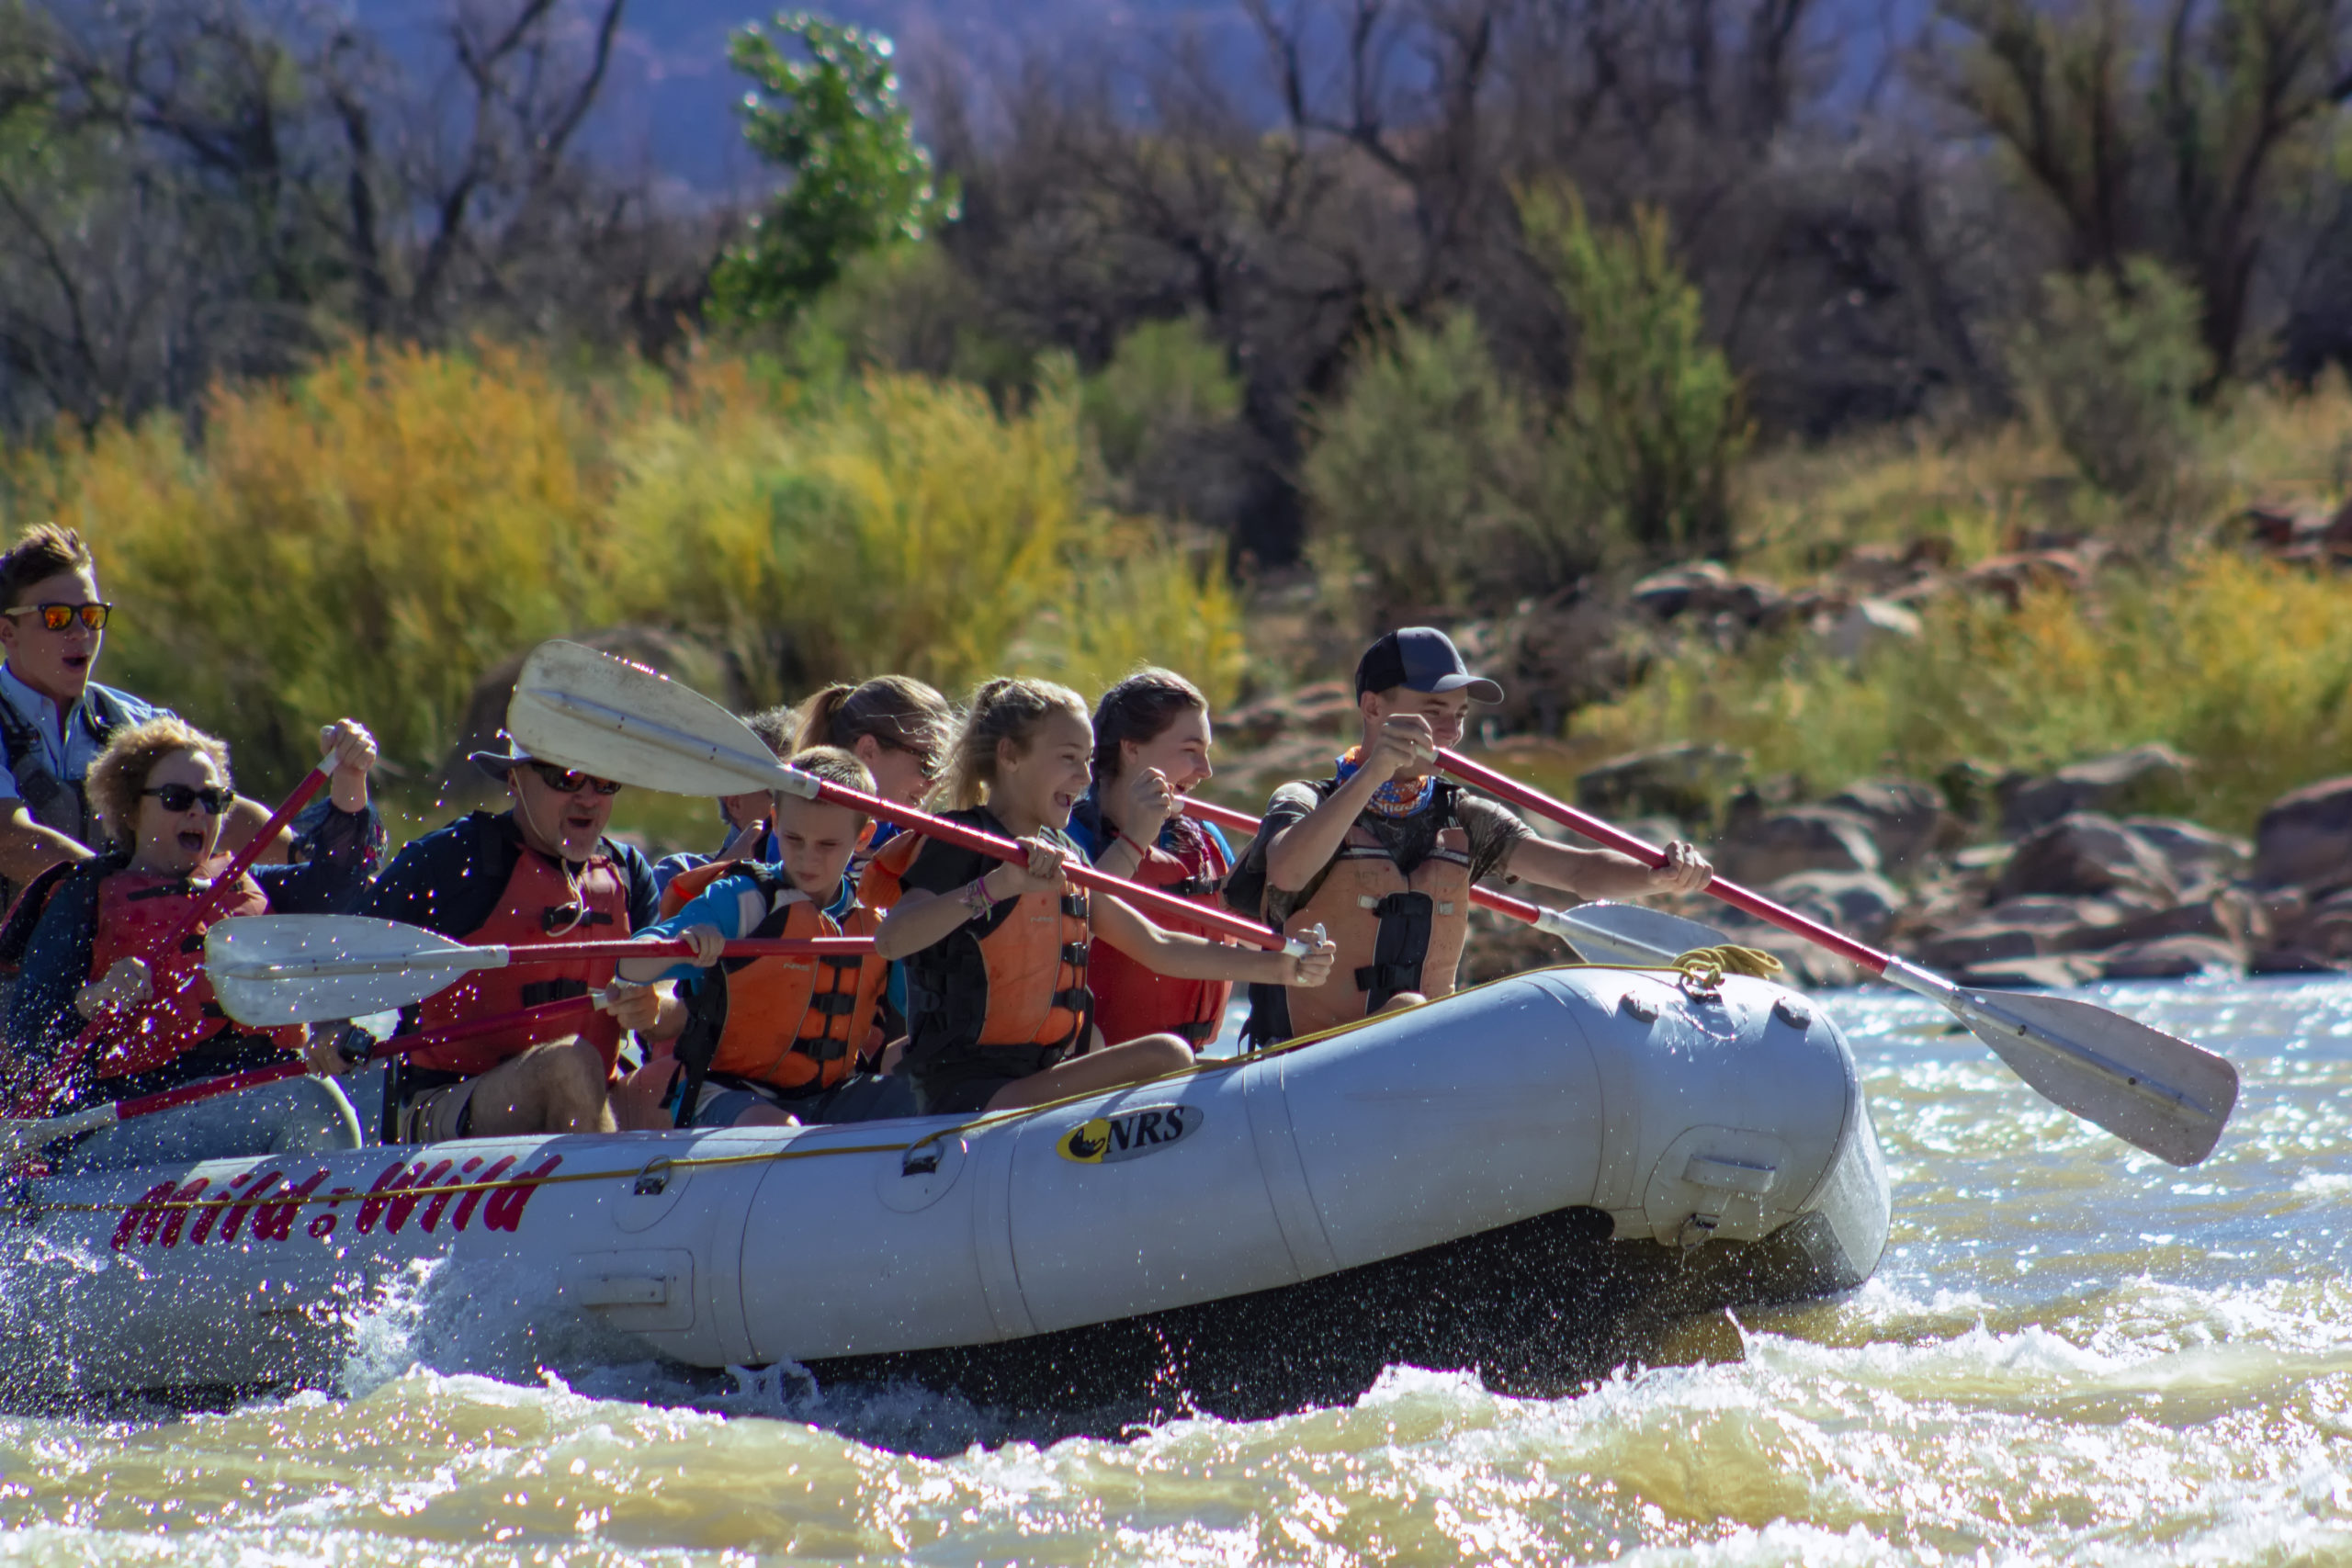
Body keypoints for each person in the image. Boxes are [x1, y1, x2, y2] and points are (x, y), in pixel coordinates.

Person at [865, 678, 1336, 1116]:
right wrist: (998, 886)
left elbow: (1157, 946)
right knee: (1167, 1054)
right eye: (1069, 758)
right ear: (1010, 756)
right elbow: (892, 939)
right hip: (967, 1092)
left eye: (1088, 760)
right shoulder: (963, 840)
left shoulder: (1067, 853)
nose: (1083, 776)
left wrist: (1284, 966)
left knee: (1183, 1059)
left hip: (1042, 1076)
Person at [1227, 627, 1714, 1046]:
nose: (1450, 730)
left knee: (1430, 1011)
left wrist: (1660, 875)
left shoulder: (1462, 815)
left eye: (1459, 715)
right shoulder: (1304, 800)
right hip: (1298, 1065)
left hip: (1414, 1057)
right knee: (1408, 1005)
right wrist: (1375, 772)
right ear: (1374, 707)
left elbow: (1578, 872)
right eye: (1434, 710)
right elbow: (1289, 869)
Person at [0, 716, 383, 1170]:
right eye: (177, 799)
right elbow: (25, 1035)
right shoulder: (83, 894)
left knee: (329, 1094)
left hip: (246, 1103)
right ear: (129, 810)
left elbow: (342, 882)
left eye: (213, 799)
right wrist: (95, 998)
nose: (198, 812)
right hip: (117, 1135)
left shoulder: (248, 883)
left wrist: (350, 778)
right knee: (308, 1103)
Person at [348, 739, 673, 1143]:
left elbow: (665, 1001)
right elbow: (344, 951)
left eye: (604, 783)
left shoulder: (627, 872)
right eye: (566, 778)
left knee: (674, 1081)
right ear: (517, 781)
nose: (588, 799)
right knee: (568, 1066)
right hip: (451, 1102)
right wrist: (331, 1027)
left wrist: (653, 1006)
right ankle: (610, 1198)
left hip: (591, 1093)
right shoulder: (450, 861)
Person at [611, 748, 913, 1129]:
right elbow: (629, 962)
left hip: (832, 1094)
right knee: (780, 1130)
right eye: (794, 838)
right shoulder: (740, 900)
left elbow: (924, 1006)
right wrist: (686, 942)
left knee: (921, 1101)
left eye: (827, 845)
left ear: (864, 836)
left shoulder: (874, 922)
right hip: (726, 1093)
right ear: (774, 820)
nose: (807, 858)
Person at [0, 524, 286, 911]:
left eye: (91, 615)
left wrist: (305, 855)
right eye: (57, 618)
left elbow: (215, 810)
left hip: (116, 965)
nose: (81, 631)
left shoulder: (136, 721)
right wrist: (124, 890)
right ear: (7, 632)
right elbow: (10, 839)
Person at [1068, 669, 1239, 1049]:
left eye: (1206, 753)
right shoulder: (1068, 837)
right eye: (1190, 751)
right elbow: (1066, 930)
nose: (1206, 771)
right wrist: (1136, 839)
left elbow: (1255, 934)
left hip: (1187, 1061)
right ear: (1131, 748)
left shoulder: (1206, 836)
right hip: (1091, 1067)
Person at [650, 705, 797, 893]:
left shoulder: (825, 876)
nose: (796, 805)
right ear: (735, 803)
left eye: (802, 792)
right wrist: (728, 866)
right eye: (779, 791)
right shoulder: (678, 873)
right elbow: (669, 919)